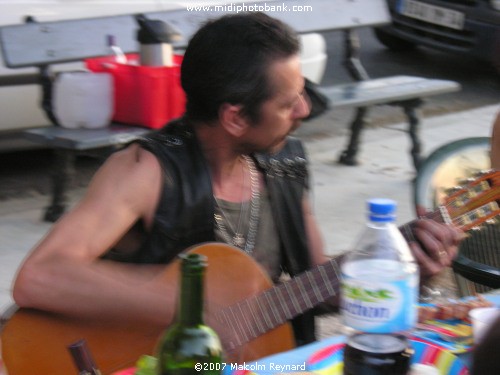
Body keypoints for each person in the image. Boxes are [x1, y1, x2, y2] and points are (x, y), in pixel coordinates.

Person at [12, 12, 462, 349]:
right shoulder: (147, 171)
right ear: (235, 117)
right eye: (289, 104)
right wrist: (193, 307)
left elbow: (319, 290)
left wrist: (403, 268)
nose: (305, 110)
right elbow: (39, 278)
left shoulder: (284, 166)